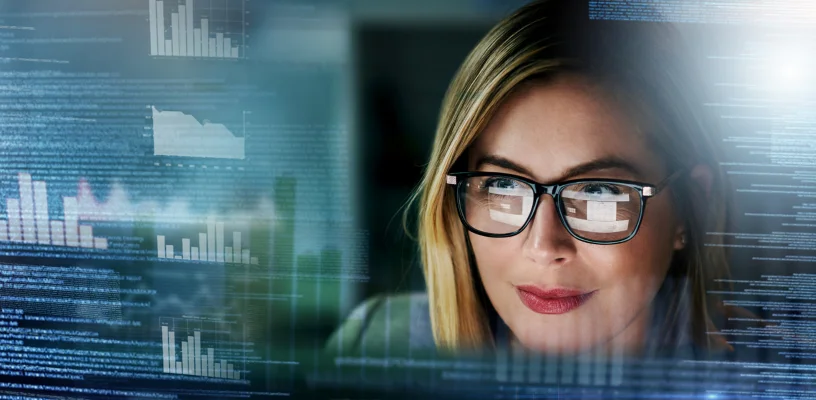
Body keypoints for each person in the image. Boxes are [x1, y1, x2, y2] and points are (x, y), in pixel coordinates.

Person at [325, 0, 739, 361]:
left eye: (598, 192)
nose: (544, 247)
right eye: (504, 186)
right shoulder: (377, 348)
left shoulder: (780, 376)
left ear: (690, 208)